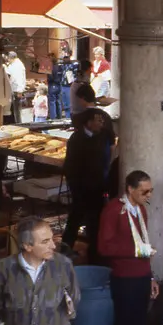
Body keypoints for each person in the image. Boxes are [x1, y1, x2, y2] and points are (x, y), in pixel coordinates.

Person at [98, 171, 160, 325]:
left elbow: (144, 245)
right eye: (145, 191)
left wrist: (151, 277)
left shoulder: (141, 210)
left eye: (150, 190)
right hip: (124, 279)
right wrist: (135, 252)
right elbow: (104, 247)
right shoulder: (114, 210)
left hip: (142, 276)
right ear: (130, 189)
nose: (149, 194)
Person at [62, 108, 108, 261]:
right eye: (98, 120)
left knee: (95, 222)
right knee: (76, 218)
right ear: (89, 123)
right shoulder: (77, 139)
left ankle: (94, 254)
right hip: (81, 188)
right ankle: (65, 250)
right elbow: (71, 166)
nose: (101, 123)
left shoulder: (100, 137)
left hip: (97, 187)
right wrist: (76, 186)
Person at [6, 52, 27, 124]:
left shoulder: (17, 66)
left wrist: (19, 91)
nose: (8, 60)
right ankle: (16, 122)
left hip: (16, 90)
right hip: (14, 89)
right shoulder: (14, 65)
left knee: (16, 110)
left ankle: (18, 124)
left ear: (10, 58)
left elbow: (19, 79)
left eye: (8, 59)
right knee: (14, 110)